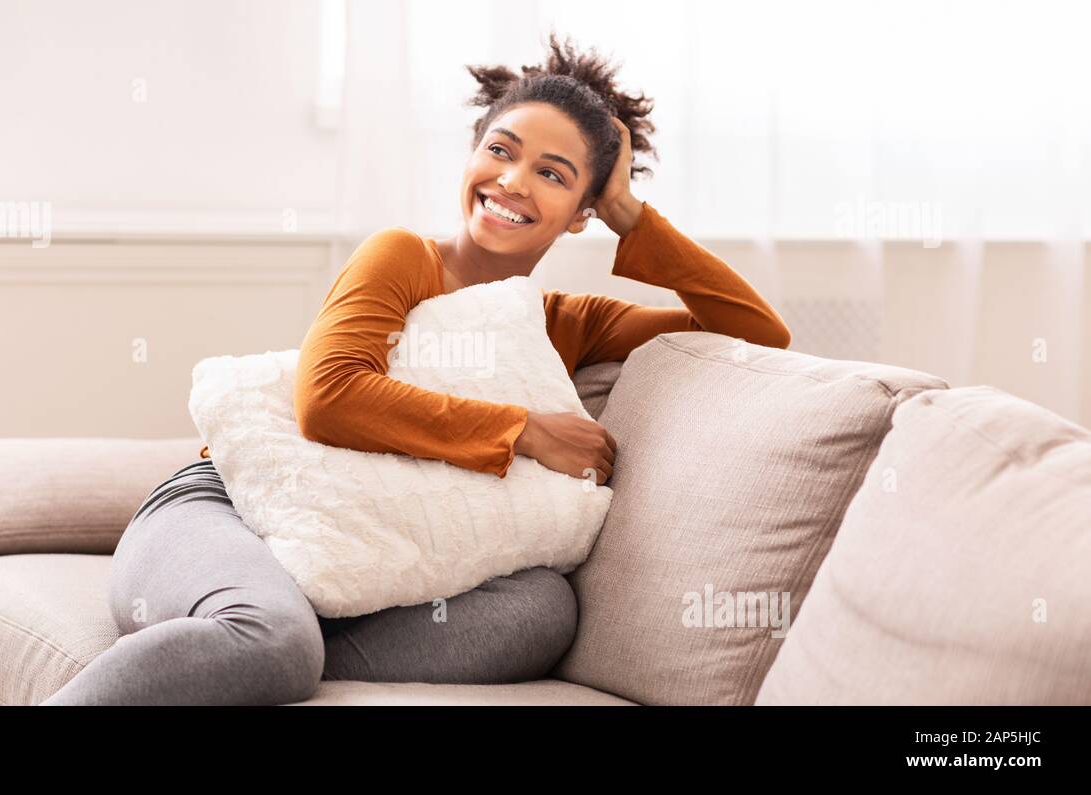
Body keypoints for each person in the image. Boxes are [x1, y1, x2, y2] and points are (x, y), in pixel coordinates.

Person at [40, 33, 789, 706]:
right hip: (227, 507)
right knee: (274, 641)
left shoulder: (564, 322)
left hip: (367, 555)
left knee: (541, 609)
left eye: (554, 174)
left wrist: (632, 211)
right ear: (471, 156)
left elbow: (756, 330)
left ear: (582, 211)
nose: (513, 181)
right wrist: (522, 430)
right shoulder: (403, 256)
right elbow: (329, 399)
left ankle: (263, 647)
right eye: (500, 149)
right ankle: (263, 638)